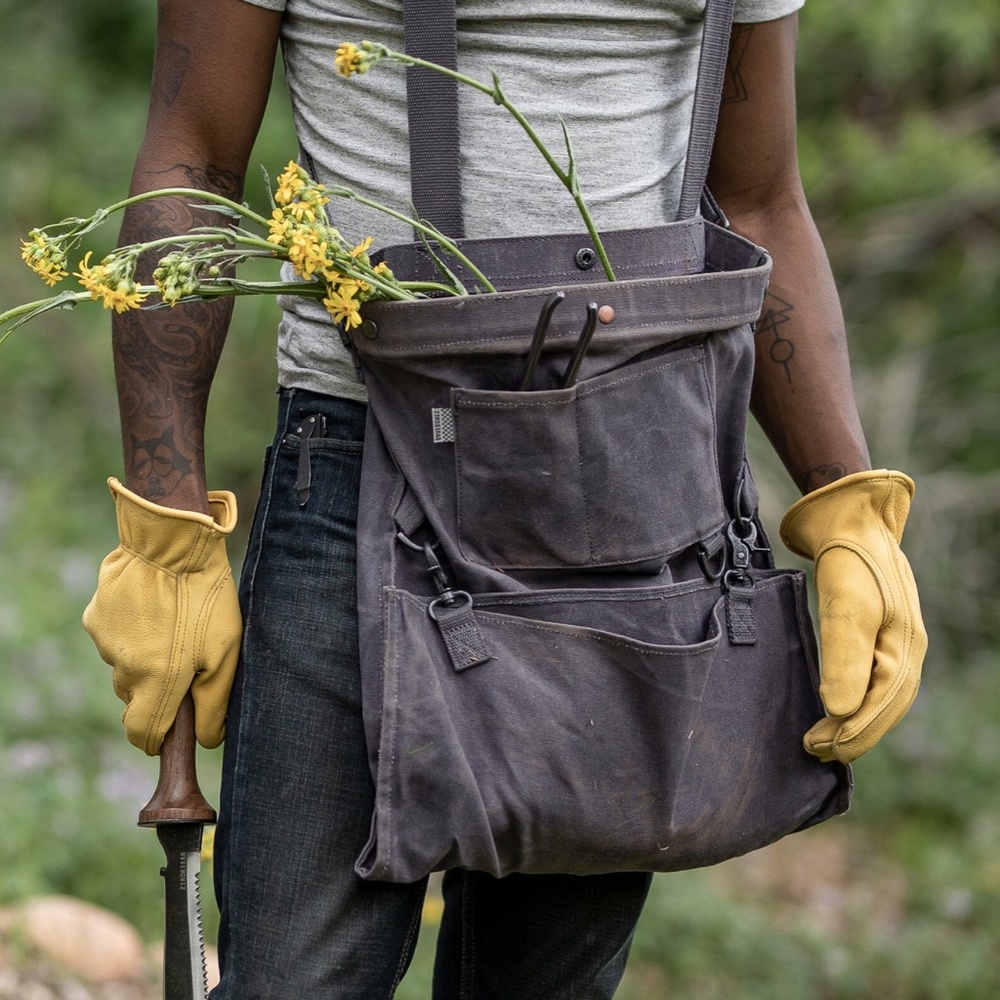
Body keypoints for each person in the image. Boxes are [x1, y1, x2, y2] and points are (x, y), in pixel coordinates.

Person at [82, 1, 926, 997]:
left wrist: (850, 511)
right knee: (295, 982)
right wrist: (166, 526)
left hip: (633, 493)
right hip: (362, 468)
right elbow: (196, 156)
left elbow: (757, 195)